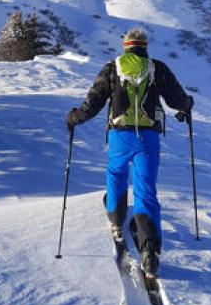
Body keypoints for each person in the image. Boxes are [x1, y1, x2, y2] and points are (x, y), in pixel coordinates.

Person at [66, 27, 194, 280]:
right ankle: (149, 251)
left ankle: (116, 218)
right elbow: (177, 99)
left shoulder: (112, 68)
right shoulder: (157, 68)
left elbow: (93, 102)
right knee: (146, 188)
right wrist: (187, 105)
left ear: (126, 46)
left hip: (119, 135)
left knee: (116, 173)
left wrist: (74, 118)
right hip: (148, 137)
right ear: (144, 46)